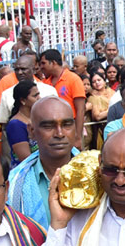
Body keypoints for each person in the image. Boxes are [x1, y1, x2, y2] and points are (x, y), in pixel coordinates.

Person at [8, 97, 80, 228]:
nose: (59, 133)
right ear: (31, 131)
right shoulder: (14, 184)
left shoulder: (98, 173)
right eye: (48, 126)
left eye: (66, 125)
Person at [40, 49, 88, 131]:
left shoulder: (73, 79)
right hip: (52, 128)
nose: (41, 67)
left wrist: (78, 136)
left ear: (53, 63)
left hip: (70, 127)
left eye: (43, 63)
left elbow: (80, 110)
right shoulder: (45, 83)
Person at [4, 78, 40, 166]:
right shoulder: (15, 125)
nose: (39, 98)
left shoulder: (38, 117)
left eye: (38, 94)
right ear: (23, 100)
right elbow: (26, 159)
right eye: (35, 96)